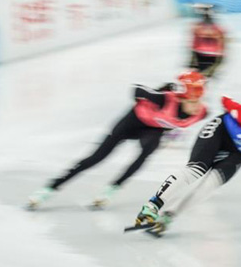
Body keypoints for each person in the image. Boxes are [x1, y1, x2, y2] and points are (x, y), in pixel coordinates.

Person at [27, 71, 208, 210]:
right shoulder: (162, 99)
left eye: (198, 100)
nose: (196, 106)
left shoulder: (202, 112)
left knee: (146, 152)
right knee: (96, 158)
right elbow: (136, 89)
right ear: (180, 97)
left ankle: (112, 189)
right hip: (131, 122)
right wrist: (157, 92)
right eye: (192, 101)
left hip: (153, 129)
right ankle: (49, 189)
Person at [131, 90, 241, 236]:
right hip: (219, 134)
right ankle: (152, 206)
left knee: (209, 186)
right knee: (195, 170)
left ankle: (169, 216)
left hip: (238, 152)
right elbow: (225, 101)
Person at [189, 4, 226, 79]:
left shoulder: (199, 28)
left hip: (204, 53)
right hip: (209, 54)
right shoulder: (216, 29)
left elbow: (195, 42)